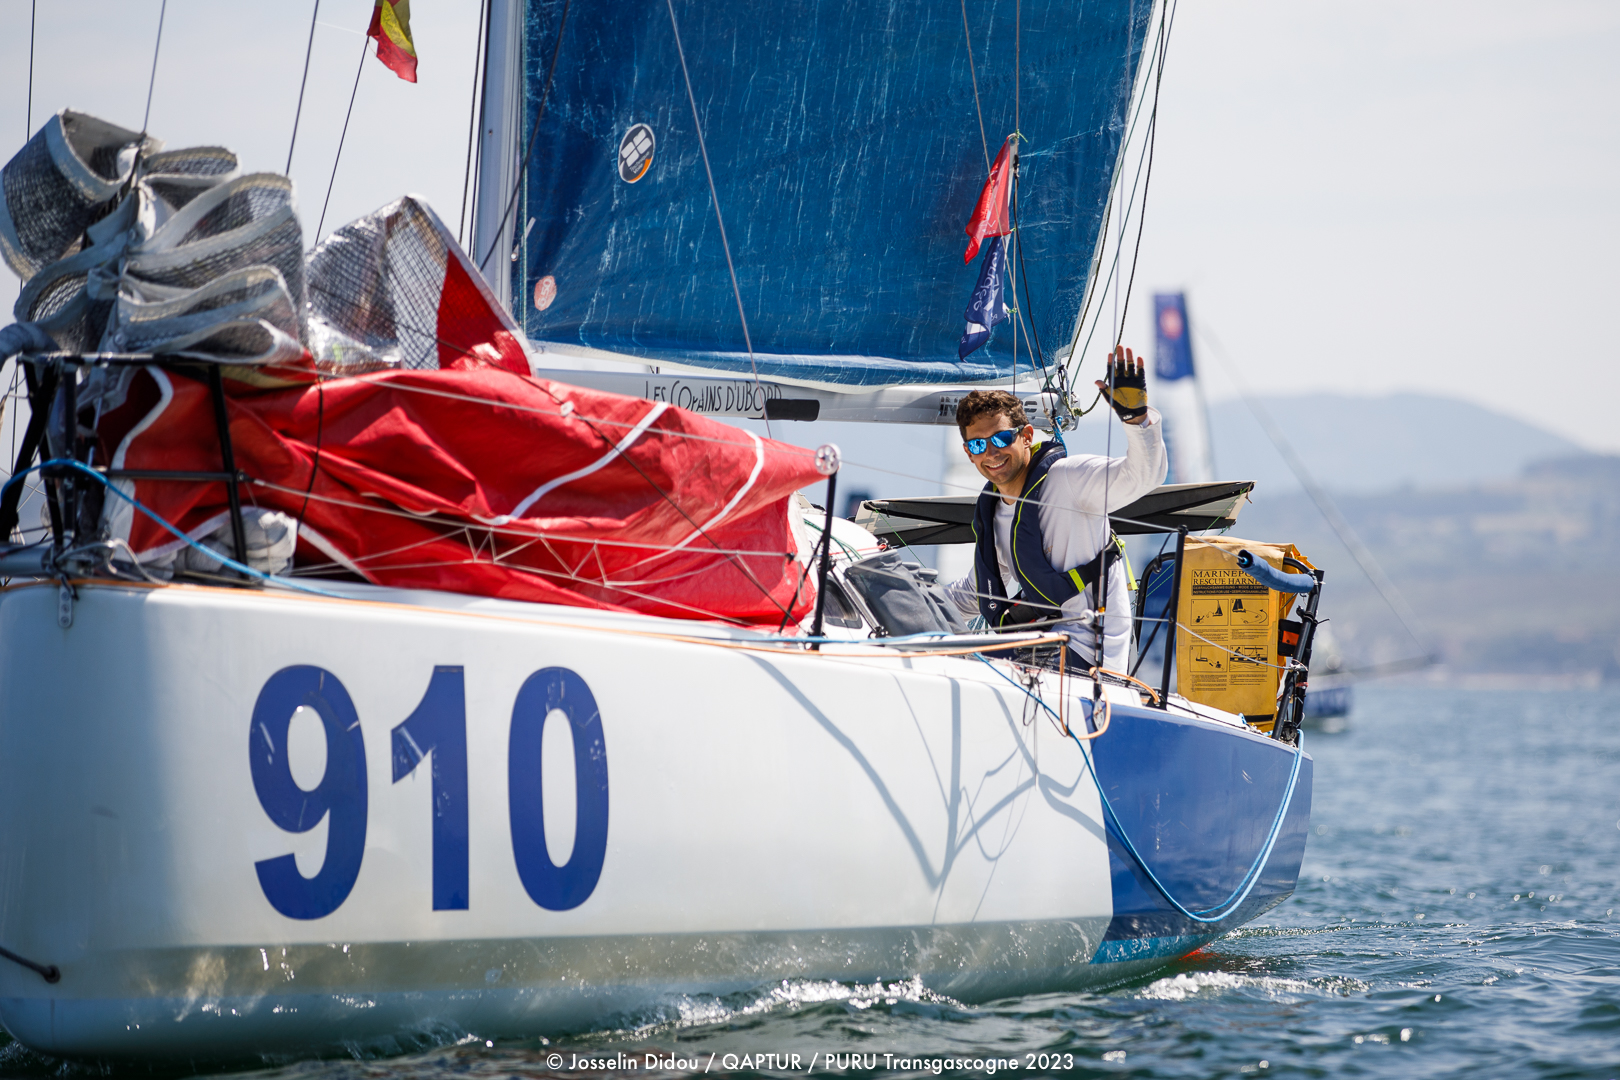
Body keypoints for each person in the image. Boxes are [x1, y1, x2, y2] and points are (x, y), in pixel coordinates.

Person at [944, 346, 1167, 674]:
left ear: (1026, 436)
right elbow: (972, 593)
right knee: (939, 659)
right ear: (969, 453)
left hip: (1090, 656)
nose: (991, 453)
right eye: (979, 444)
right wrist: (903, 604)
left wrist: (1137, 419)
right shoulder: (995, 516)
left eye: (1001, 438)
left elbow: (1142, 477)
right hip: (1035, 645)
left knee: (975, 670)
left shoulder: (1069, 479)